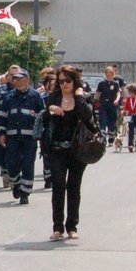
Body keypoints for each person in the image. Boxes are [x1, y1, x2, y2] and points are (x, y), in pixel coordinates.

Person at [46, 65, 99, 240]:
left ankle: (72, 226)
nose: (64, 84)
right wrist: (50, 110)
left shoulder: (84, 98)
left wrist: (80, 98)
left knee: (74, 187)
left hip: (78, 150)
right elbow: (44, 120)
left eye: (67, 80)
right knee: (58, 186)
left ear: (75, 81)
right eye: (60, 81)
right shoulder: (53, 97)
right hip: (57, 149)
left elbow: (90, 121)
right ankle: (57, 227)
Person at [0, 68, 44, 205]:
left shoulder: (35, 96)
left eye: (21, 79)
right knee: (12, 164)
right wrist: (1, 133)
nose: (18, 81)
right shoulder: (9, 97)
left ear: (27, 80)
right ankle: (16, 184)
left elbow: (42, 116)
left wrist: (41, 133)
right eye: (15, 79)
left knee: (28, 164)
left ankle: (25, 192)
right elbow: (2, 117)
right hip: (13, 138)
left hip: (30, 139)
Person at [95, 66, 123, 149]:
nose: (108, 75)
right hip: (103, 104)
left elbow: (118, 93)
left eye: (110, 73)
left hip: (112, 105)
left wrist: (117, 100)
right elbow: (98, 92)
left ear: (112, 74)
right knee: (102, 120)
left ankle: (111, 138)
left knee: (112, 121)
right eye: (107, 73)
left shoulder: (115, 84)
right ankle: (103, 138)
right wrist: (98, 99)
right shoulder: (101, 83)